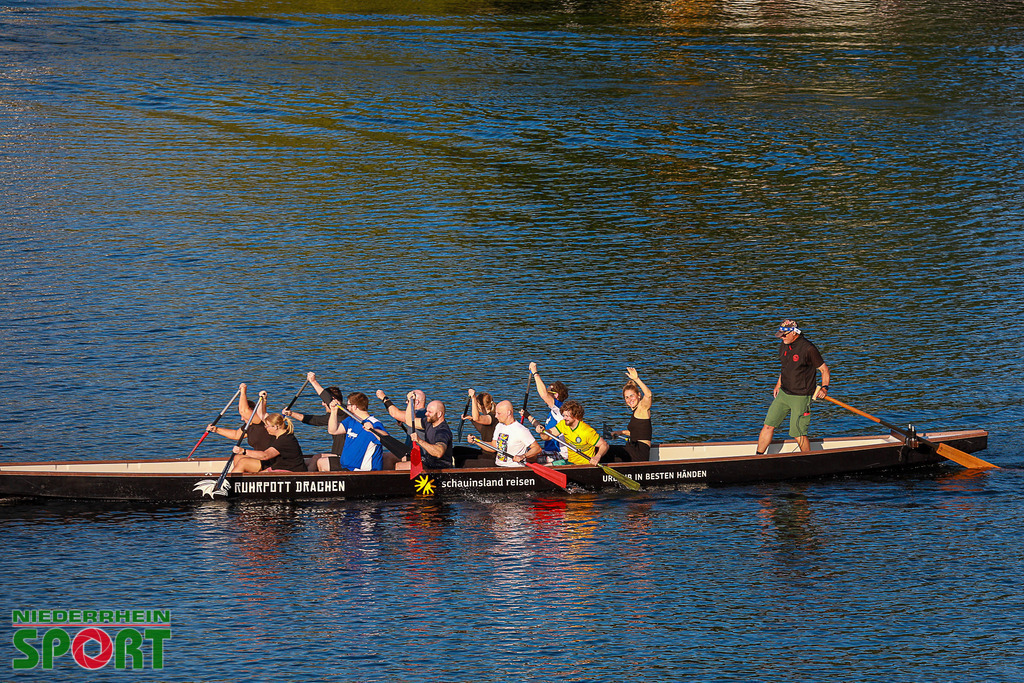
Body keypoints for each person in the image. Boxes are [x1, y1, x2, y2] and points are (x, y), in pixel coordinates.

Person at [756, 319, 831, 454]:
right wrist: (778, 384)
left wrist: (824, 388)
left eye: (784, 334)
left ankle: (808, 460)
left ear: (794, 333)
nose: (782, 338)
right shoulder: (784, 345)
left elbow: (824, 370)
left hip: (801, 397)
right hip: (784, 393)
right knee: (768, 426)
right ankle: (757, 457)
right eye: (780, 334)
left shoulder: (808, 349)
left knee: (798, 433)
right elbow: (785, 367)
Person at [283, 371, 347, 471]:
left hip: (344, 458)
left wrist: (313, 382)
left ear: (333, 400)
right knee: (310, 460)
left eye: (323, 402)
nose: (322, 404)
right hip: (336, 455)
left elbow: (327, 398)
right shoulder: (332, 417)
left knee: (317, 459)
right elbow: (314, 420)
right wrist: (291, 414)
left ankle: (305, 480)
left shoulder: (344, 412)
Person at [308, 392, 387, 472]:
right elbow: (333, 430)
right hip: (346, 466)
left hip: (361, 470)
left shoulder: (374, 423)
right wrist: (334, 411)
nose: (347, 407)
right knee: (322, 462)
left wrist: (373, 430)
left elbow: (386, 437)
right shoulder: (351, 420)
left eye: (348, 405)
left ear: (354, 407)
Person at [529, 399, 609, 465]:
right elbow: (547, 437)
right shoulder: (563, 424)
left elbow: (604, 445)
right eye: (563, 415)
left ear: (576, 416)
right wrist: (543, 432)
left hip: (585, 465)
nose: (564, 418)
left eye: (567, 416)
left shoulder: (586, 431)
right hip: (570, 462)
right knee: (545, 466)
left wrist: (597, 456)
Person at [468, 400, 541, 467]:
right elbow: (493, 446)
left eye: (499, 413)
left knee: (466, 464)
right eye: (496, 413)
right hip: (498, 465)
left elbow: (537, 448)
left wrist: (523, 456)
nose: (496, 416)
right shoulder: (499, 426)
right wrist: (476, 441)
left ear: (508, 413)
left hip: (514, 468)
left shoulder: (521, 430)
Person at [230, 413, 306, 473]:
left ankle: (229, 486)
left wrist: (244, 451)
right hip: (278, 467)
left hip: (290, 471)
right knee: (239, 457)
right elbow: (262, 413)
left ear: (275, 427)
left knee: (243, 462)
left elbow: (265, 456)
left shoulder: (285, 440)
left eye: (267, 426)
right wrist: (264, 400)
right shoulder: (280, 435)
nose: (265, 428)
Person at [606, 367, 653, 462]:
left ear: (639, 395)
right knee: (605, 448)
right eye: (627, 397)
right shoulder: (636, 412)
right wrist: (620, 432)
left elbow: (648, 395)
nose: (629, 399)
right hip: (632, 449)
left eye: (632, 395)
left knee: (604, 450)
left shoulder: (642, 408)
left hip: (639, 453)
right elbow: (638, 433)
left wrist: (636, 379)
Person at [207, 384, 272, 452]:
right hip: (260, 456)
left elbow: (243, 411)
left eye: (243, 416)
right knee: (237, 458)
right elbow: (236, 435)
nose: (242, 419)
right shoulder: (248, 426)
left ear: (252, 412)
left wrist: (243, 391)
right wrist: (216, 429)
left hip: (269, 457)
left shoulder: (261, 421)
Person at [528, 362, 570, 464]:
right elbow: (543, 429)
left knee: (526, 457)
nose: (546, 392)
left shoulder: (559, 409)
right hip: (550, 452)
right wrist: (527, 416)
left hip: (559, 454)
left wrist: (535, 372)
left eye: (548, 391)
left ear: (556, 395)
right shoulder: (553, 412)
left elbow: (543, 394)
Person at [395, 398, 453, 470]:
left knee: (400, 466)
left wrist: (419, 440)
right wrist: (411, 402)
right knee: (392, 458)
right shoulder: (428, 422)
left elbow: (439, 452)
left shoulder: (442, 431)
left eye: (429, 412)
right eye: (426, 411)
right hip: (428, 461)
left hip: (440, 466)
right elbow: (409, 421)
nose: (426, 414)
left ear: (439, 414)